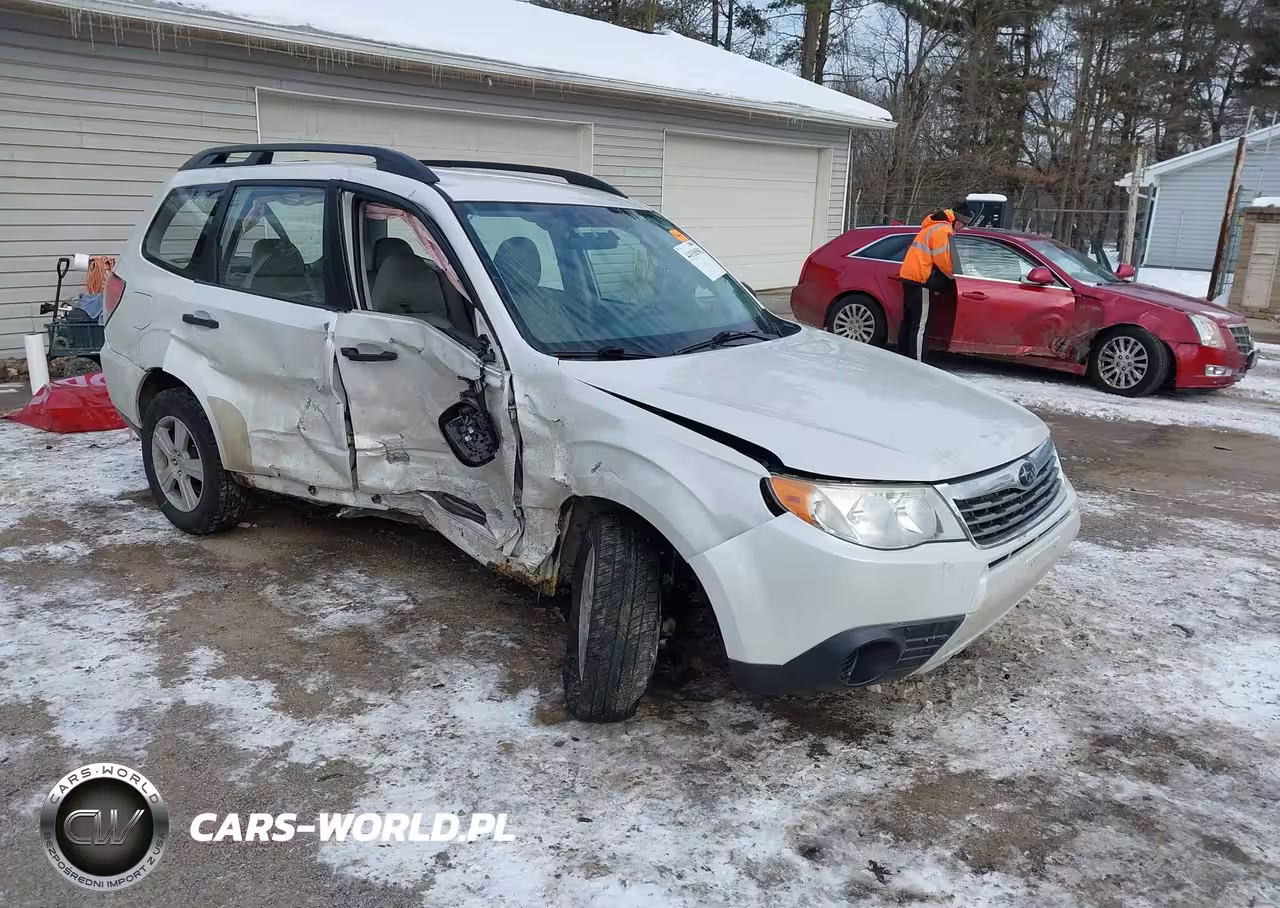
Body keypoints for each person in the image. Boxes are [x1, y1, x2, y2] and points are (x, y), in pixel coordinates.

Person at [897, 202, 973, 361]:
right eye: (963, 226)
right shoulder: (942, 229)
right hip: (923, 280)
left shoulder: (932, 226)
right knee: (920, 325)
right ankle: (917, 362)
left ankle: (902, 357)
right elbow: (942, 258)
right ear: (958, 221)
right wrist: (953, 275)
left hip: (910, 277)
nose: (962, 229)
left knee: (909, 320)